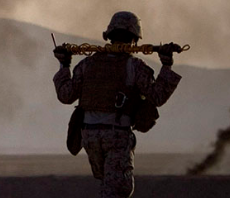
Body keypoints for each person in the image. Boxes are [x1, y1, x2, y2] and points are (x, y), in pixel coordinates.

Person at [52, 11, 182, 198]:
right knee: (119, 190)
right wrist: (167, 65)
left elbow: (65, 95)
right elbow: (157, 96)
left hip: (89, 136)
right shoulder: (134, 66)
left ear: (109, 35)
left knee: (109, 185)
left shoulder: (88, 64)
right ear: (135, 38)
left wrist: (64, 66)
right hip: (116, 135)